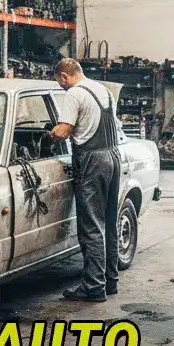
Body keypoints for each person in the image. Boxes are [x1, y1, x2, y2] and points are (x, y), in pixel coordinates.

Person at [48, 58, 122, 302]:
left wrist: (49, 133)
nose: (61, 86)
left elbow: (63, 130)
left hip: (91, 160)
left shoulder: (74, 94)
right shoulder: (103, 90)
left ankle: (93, 287)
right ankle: (110, 281)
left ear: (63, 76)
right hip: (112, 155)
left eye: (60, 82)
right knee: (108, 222)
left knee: (90, 226)